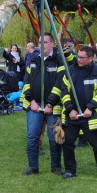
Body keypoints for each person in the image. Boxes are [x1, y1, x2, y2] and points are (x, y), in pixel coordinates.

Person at [59, 46, 97, 179]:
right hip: (72, 115)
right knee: (68, 144)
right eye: (78, 57)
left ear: (90, 58)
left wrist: (91, 107)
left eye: (82, 57)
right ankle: (70, 170)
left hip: (90, 115)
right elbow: (64, 91)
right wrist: (70, 109)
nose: (79, 59)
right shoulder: (70, 71)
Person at [21, 33, 65, 176]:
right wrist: (31, 101)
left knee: (54, 137)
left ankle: (56, 167)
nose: (41, 45)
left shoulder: (59, 60)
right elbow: (27, 82)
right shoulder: (33, 59)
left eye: (45, 42)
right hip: (34, 106)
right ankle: (33, 167)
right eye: (39, 42)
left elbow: (59, 84)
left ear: (52, 44)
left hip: (52, 107)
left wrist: (50, 104)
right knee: (32, 137)